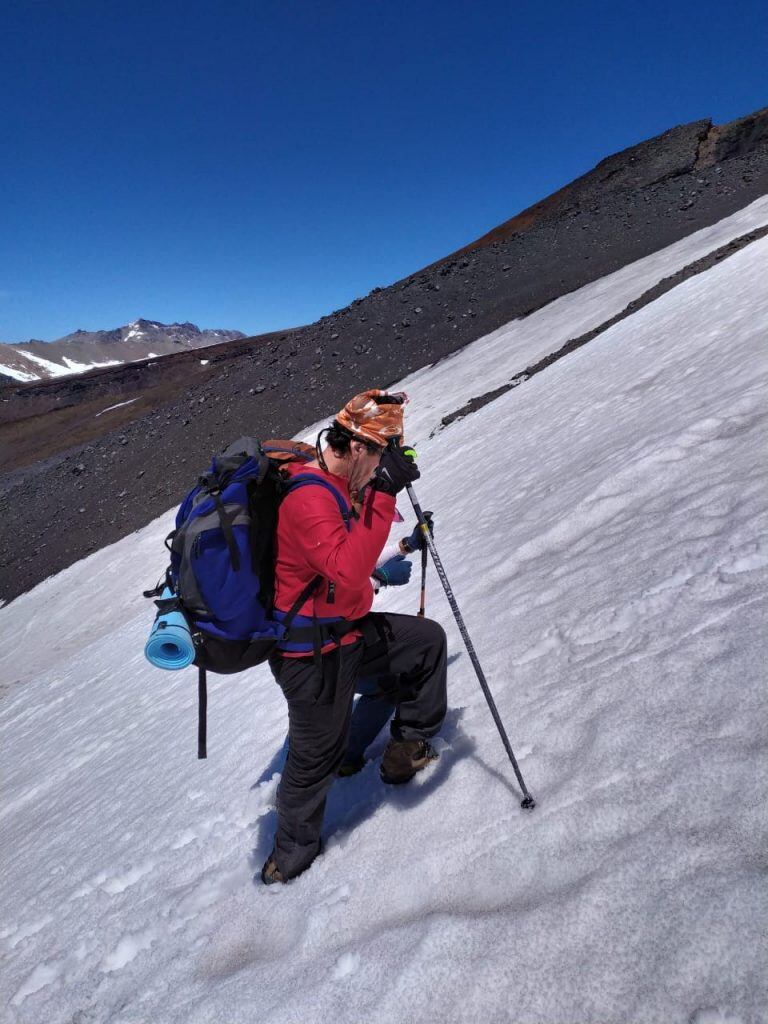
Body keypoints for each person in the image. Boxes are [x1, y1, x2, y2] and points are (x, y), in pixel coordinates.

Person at [262, 389, 448, 884]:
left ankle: (400, 751)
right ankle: (291, 857)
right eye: (381, 455)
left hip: (345, 634)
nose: (380, 468)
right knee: (309, 760)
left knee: (423, 645)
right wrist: (384, 493)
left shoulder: (338, 485)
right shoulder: (307, 496)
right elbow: (346, 570)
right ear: (360, 447)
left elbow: (352, 554)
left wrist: (404, 538)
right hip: (310, 655)